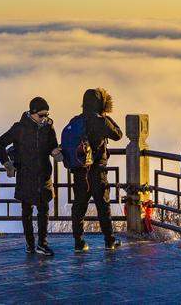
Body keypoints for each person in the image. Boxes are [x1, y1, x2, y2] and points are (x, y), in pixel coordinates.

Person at [0, 97, 61, 256]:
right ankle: (30, 245)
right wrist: (7, 164)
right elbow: (0, 143)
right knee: (27, 211)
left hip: (44, 175)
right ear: (32, 113)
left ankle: (42, 244)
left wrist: (55, 151)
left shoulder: (48, 128)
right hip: (26, 175)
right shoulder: (19, 128)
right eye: (41, 115)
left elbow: (53, 145)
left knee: (44, 211)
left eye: (46, 115)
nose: (44, 118)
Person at [70, 88, 123, 252]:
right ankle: (109, 241)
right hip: (98, 172)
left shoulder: (76, 120)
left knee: (79, 207)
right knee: (103, 207)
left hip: (80, 171)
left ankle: (79, 242)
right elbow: (118, 134)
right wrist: (106, 117)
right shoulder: (101, 121)